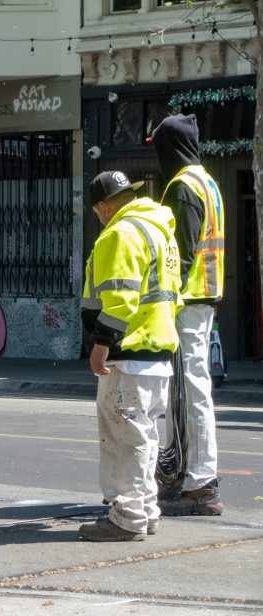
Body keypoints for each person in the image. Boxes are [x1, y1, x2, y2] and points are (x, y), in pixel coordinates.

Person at [78, 171, 182, 543]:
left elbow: (120, 299)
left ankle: (127, 516)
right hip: (157, 351)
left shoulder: (120, 234)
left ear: (103, 207)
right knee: (144, 437)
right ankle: (146, 510)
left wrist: (100, 345)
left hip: (128, 353)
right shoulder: (158, 232)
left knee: (124, 438)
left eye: (97, 212)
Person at [150, 113, 226, 517]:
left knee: (189, 392)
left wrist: (163, 301)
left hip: (186, 302)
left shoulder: (182, 186)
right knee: (192, 389)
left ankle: (198, 483)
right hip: (203, 299)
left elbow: (178, 255)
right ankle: (192, 477)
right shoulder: (207, 180)